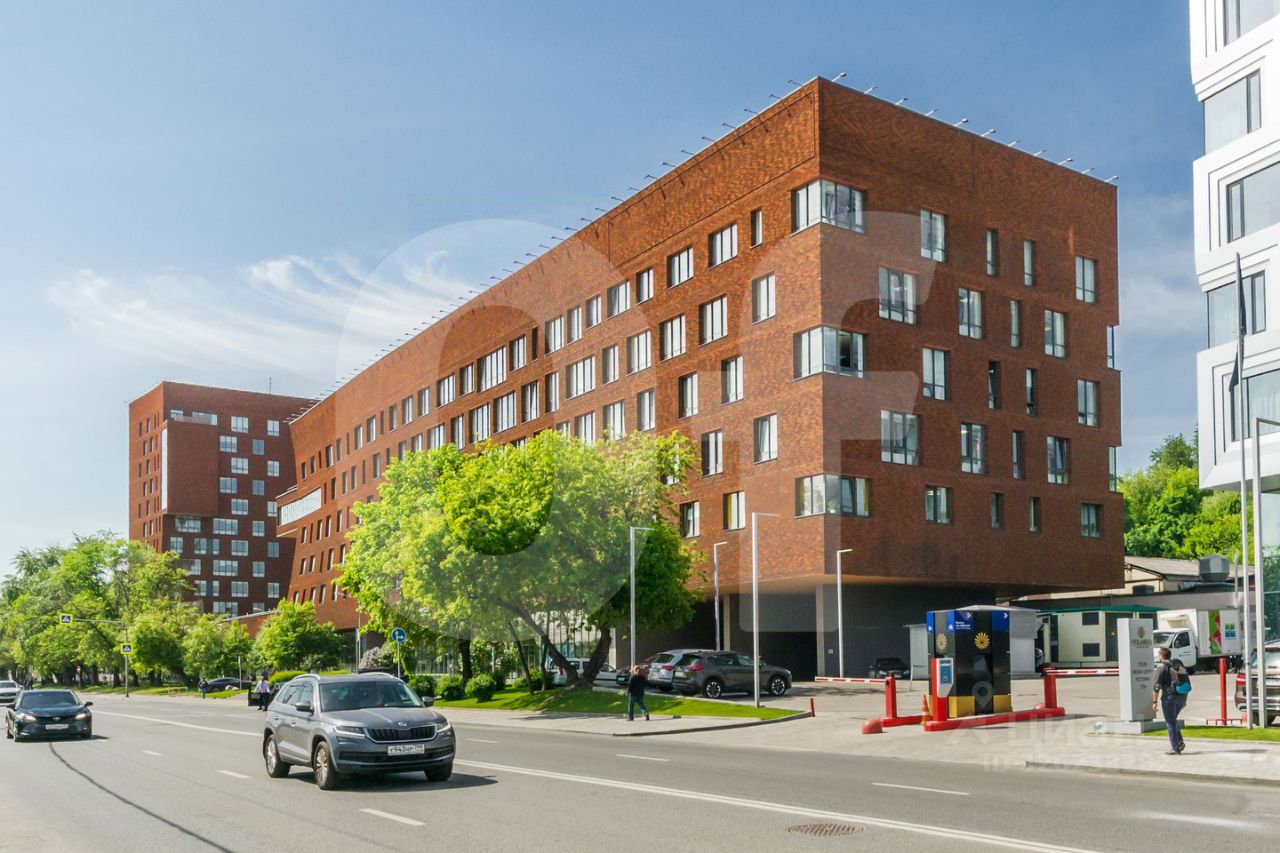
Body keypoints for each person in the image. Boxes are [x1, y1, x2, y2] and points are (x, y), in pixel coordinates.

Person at [1152, 646, 1187, 755]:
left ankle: (1175, 747)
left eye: (1159, 655)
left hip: (1169, 698)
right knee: (1173, 720)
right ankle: (1180, 742)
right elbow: (1185, 681)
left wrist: (1154, 702)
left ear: (1161, 656)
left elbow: (1156, 687)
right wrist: (1185, 699)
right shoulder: (1177, 665)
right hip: (1181, 697)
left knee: (1170, 722)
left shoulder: (1161, 667)